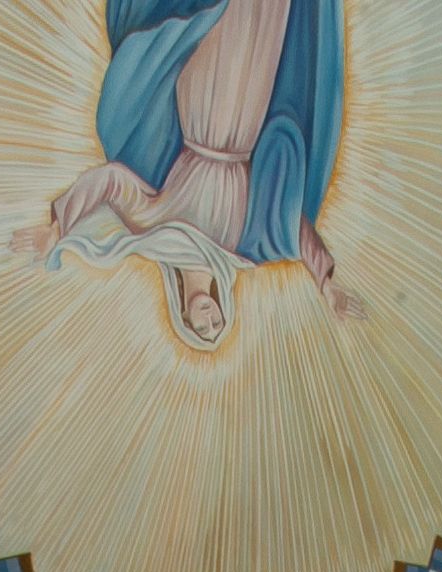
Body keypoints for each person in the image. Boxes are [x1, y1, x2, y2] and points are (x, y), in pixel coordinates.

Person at [22, 0, 351, 342]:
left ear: (182, 315)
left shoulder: (157, 232)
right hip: (250, 111)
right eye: (218, 323)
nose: (209, 318)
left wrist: (58, 228)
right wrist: (326, 284)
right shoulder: (242, 248)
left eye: (201, 326)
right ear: (225, 309)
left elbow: (111, 182)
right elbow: (293, 230)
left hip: (201, 106)